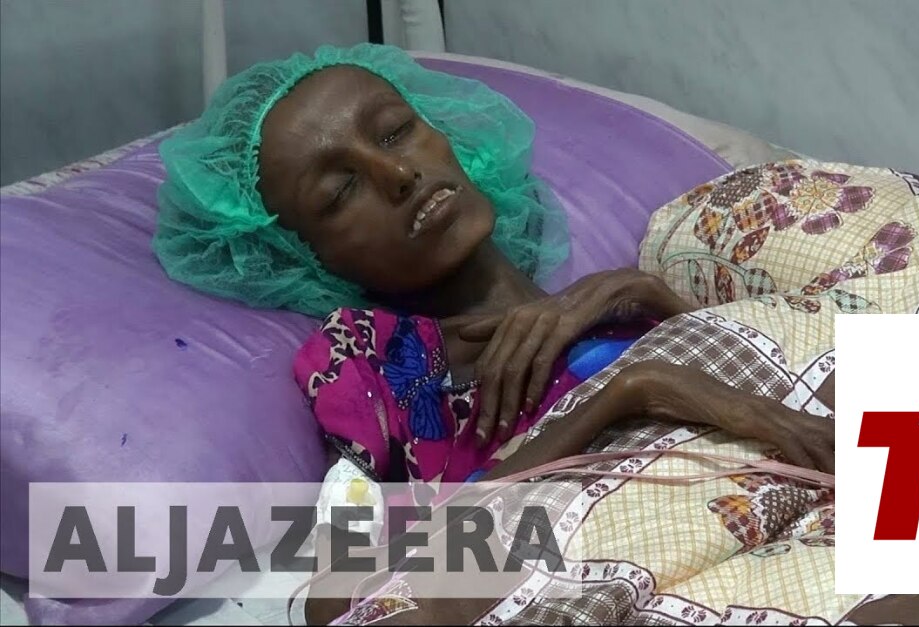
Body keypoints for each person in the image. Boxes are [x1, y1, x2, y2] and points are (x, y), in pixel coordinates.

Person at [154, 42, 834, 625]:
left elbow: (798, 391)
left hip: (833, 511)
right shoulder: (372, 360)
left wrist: (650, 299)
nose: (399, 174)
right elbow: (339, 601)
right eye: (339, 193)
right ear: (301, 256)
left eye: (394, 131)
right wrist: (621, 394)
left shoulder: (647, 285)